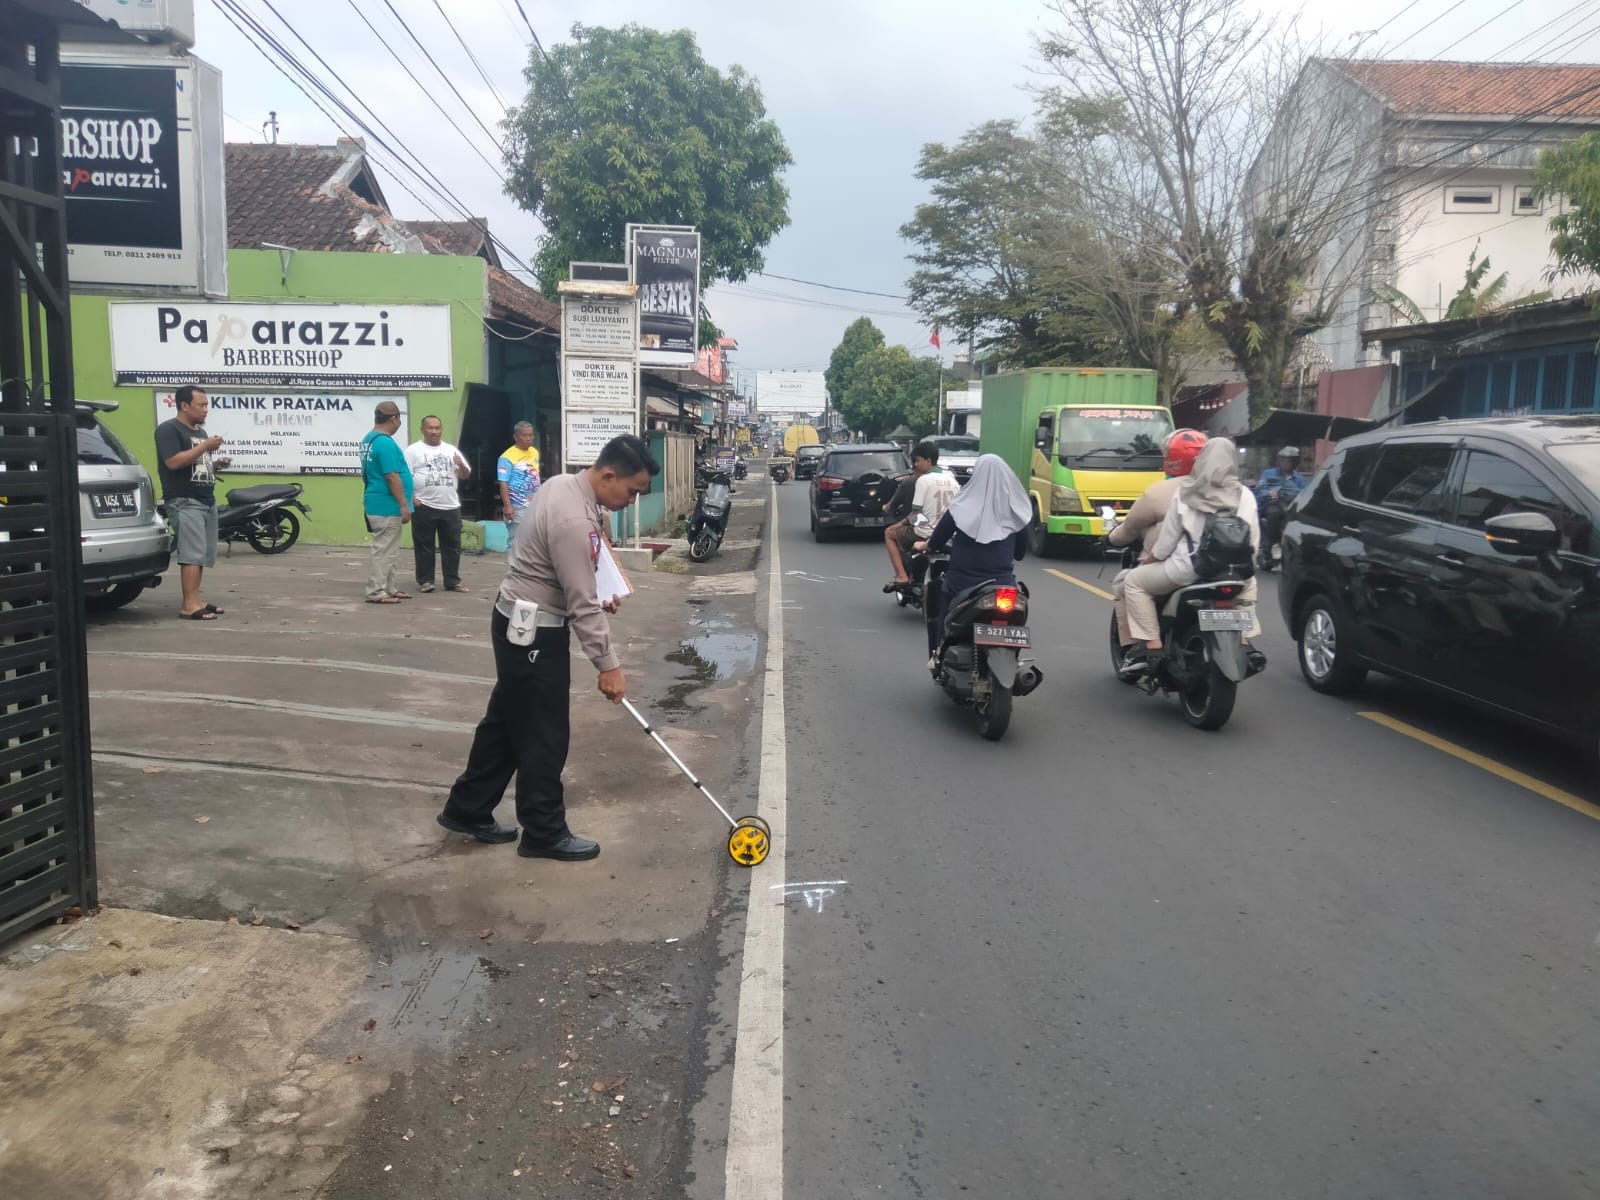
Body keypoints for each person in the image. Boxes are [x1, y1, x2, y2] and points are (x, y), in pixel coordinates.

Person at [436, 434, 661, 862]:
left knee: (505, 724)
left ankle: (467, 808)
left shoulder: (562, 484)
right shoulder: (572, 518)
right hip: (535, 633)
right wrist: (608, 665)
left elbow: (575, 573)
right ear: (608, 474)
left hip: (515, 621)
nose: (632, 501)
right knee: (543, 733)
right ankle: (543, 830)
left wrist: (597, 589)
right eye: (631, 491)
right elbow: (581, 605)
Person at [1119, 437, 1260, 675]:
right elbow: (1253, 539)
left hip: (1188, 571)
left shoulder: (1186, 492)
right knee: (1248, 588)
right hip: (1234, 572)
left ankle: (1152, 645)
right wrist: (1247, 568)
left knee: (1133, 582)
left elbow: (1168, 539)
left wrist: (1152, 558)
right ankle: (1244, 641)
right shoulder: (1244, 494)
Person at [917, 454, 1032, 667]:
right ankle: (1015, 659)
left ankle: (939, 652)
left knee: (942, 604)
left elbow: (938, 540)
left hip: (962, 584)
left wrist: (925, 545)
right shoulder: (1017, 511)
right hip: (1003, 585)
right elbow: (1020, 554)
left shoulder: (960, 507)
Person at [1109, 429, 1207, 646]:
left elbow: (1132, 529)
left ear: (1172, 459)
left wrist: (1112, 538)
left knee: (1129, 582)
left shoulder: (1167, 492)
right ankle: (1246, 640)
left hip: (1180, 566)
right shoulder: (1234, 490)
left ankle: (1146, 645)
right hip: (1230, 567)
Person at [155, 384, 229, 620]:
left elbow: (195, 464)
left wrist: (215, 464)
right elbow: (174, 462)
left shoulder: (199, 433)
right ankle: (189, 605)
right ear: (184, 405)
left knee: (202, 554)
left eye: (207, 405)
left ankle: (196, 599)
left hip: (205, 499)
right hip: (185, 500)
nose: (206, 410)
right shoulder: (169, 430)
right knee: (191, 553)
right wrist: (205, 447)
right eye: (201, 405)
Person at [883, 440, 961, 592]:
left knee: (889, 533)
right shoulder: (953, 481)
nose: (915, 465)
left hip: (924, 532)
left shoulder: (923, 481)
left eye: (917, 461)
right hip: (948, 534)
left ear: (928, 460)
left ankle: (901, 576)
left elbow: (915, 515)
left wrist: (898, 525)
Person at [406, 415, 472, 594]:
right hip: (424, 505)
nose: (434, 431)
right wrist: (412, 499)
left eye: (437, 428)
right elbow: (405, 476)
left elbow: (464, 474)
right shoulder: (413, 451)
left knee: (452, 546)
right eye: (430, 428)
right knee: (424, 545)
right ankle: (426, 581)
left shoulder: (451, 450)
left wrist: (461, 466)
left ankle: (452, 582)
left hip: (450, 506)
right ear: (422, 429)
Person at [360, 402, 413, 605]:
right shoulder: (385, 443)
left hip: (378, 502)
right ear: (394, 419)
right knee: (383, 550)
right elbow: (392, 476)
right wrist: (403, 504)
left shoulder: (368, 440)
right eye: (399, 418)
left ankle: (389, 588)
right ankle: (375, 591)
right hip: (386, 506)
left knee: (390, 550)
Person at [1254, 445, 1307, 557]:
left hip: (1291, 508)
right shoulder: (1269, 474)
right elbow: (1260, 489)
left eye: (1289, 461)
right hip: (1270, 504)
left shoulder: (1300, 480)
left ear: (1295, 463)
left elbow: (1303, 494)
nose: (1286, 463)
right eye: (1283, 460)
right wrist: (1269, 493)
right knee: (1273, 513)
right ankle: (1269, 544)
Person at [497, 421, 542, 540]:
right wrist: (508, 506)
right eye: (524, 435)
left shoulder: (534, 452)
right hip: (517, 506)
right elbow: (503, 483)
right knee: (516, 541)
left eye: (530, 435)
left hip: (534, 504)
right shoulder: (506, 457)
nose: (528, 438)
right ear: (515, 437)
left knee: (533, 541)